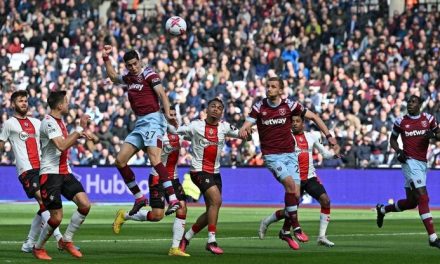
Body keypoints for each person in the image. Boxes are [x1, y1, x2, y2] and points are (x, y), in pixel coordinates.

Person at [238, 76, 337, 250]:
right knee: (291, 187)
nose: (269, 89)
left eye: (273, 86)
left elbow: (314, 116)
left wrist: (329, 136)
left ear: (280, 90)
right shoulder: (259, 107)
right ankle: (296, 227)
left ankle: (282, 230)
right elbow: (246, 125)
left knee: (295, 197)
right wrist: (244, 130)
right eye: (267, 86)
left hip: (290, 156)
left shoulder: (290, 106)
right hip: (272, 156)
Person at [102, 45, 180, 216]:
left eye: (135, 63)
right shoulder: (129, 78)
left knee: (154, 159)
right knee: (120, 161)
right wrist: (106, 58)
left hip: (154, 120)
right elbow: (114, 77)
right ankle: (139, 197)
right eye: (129, 65)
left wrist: (167, 114)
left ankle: (173, 199)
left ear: (140, 61)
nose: (133, 67)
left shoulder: (149, 73)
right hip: (140, 123)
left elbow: (162, 94)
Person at [112, 107, 189, 257]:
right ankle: (125, 215)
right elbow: (149, 151)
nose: (172, 117)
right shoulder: (156, 134)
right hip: (157, 179)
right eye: (169, 115)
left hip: (173, 177)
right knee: (157, 215)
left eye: (174, 114)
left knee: (182, 208)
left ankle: (174, 248)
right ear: (163, 117)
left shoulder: (180, 132)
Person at [177, 98, 248, 255]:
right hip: (198, 171)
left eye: (219, 108)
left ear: (222, 112)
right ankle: (211, 241)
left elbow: (242, 135)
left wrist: (247, 132)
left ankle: (186, 238)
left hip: (215, 173)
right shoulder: (196, 126)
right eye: (213, 106)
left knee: (211, 208)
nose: (216, 109)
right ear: (207, 110)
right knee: (217, 200)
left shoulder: (224, 127)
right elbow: (177, 131)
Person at [259, 115, 340, 247]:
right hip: (294, 178)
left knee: (326, 200)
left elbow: (324, 153)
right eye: (292, 122)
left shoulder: (312, 137)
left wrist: (334, 153)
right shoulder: (286, 138)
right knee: (290, 212)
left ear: (304, 124)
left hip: (309, 177)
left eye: (298, 121)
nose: (295, 124)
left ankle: (321, 237)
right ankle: (267, 222)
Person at [0, 90, 63, 252]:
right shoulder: (9, 124)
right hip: (26, 170)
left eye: (26, 101)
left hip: (42, 169)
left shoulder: (36, 122)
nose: (24, 104)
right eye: (21, 101)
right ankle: (59, 238)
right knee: (44, 202)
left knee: (44, 205)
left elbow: (52, 139)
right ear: (13, 104)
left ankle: (29, 243)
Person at [32, 91, 91, 260]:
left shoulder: (60, 122)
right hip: (50, 174)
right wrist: (79, 128)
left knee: (85, 205)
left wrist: (78, 135)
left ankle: (66, 240)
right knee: (56, 218)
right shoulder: (49, 123)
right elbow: (62, 146)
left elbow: (64, 143)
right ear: (59, 105)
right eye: (66, 102)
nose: (68, 104)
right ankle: (38, 248)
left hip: (64, 172)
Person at [376, 95, 440, 249]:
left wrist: (435, 136)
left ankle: (383, 209)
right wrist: (398, 151)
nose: (410, 104)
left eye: (413, 102)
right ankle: (433, 238)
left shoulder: (429, 119)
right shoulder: (401, 121)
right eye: (408, 102)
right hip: (409, 162)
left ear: (420, 105)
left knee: (412, 202)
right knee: (423, 198)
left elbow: (438, 134)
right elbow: (392, 139)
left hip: (422, 163)